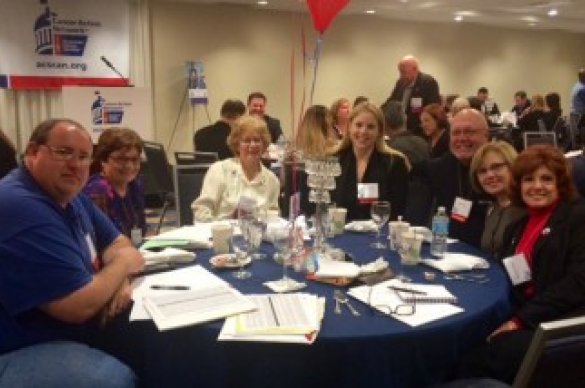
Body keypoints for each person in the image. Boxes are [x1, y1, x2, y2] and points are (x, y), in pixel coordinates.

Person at [0, 118, 144, 386]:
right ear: (33, 152)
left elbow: (120, 245)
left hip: (71, 330)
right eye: (64, 153)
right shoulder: (19, 204)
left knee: (147, 346)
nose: (75, 165)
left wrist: (119, 273)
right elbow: (77, 305)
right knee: (112, 378)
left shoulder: (71, 195)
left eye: (83, 157)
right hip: (22, 346)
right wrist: (122, 267)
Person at [459, 145, 585, 384]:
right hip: (524, 311)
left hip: (557, 326)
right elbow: (509, 274)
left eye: (547, 179)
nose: (537, 186)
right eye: (529, 179)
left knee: (471, 359)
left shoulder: (577, 218)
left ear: (561, 183)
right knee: (464, 335)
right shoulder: (518, 226)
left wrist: (519, 320)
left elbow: (578, 284)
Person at [414, 108, 491, 247]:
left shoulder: (497, 173)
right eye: (456, 133)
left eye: (470, 132)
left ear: (486, 135)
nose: (462, 138)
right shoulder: (439, 168)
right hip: (448, 250)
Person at [192, 115, 280, 221]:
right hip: (221, 234)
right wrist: (228, 222)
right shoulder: (219, 170)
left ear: (264, 145)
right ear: (237, 145)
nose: (252, 145)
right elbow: (201, 211)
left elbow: (274, 218)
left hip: (259, 236)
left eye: (257, 140)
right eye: (246, 140)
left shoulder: (272, 180)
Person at [331, 102, 409, 221]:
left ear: (380, 131)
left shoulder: (394, 163)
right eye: (358, 125)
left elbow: (399, 210)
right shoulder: (335, 160)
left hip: (379, 235)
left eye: (370, 127)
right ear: (350, 127)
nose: (363, 131)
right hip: (340, 233)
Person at [83, 127, 147, 240]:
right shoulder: (97, 190)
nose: (129, 166)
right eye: (121, 159)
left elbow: (141, 230)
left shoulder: (135, 185)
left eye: (135, 159)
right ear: (103, 160)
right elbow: (100, 240)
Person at [469, 141, 525, 259]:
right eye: (482, 171)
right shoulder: (491, 209)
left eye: (497, 167)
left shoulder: (526, 208)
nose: (489, 175)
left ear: (513, 166)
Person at [382, 55, 441, 137]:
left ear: (415, 69)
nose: (401, 76)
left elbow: (433, 109)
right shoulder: (400, 83)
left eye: (403, 72)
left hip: (419, 133)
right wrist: (377, 112)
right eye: (400, 72)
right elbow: (391, 101)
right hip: (400, 131)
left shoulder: (428, 83)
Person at [569, 68, 585, 148]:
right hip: (579, 117)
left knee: (576, 139)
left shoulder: (577, 85)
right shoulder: (582, 89)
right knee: (581, 140)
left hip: (575, 115)